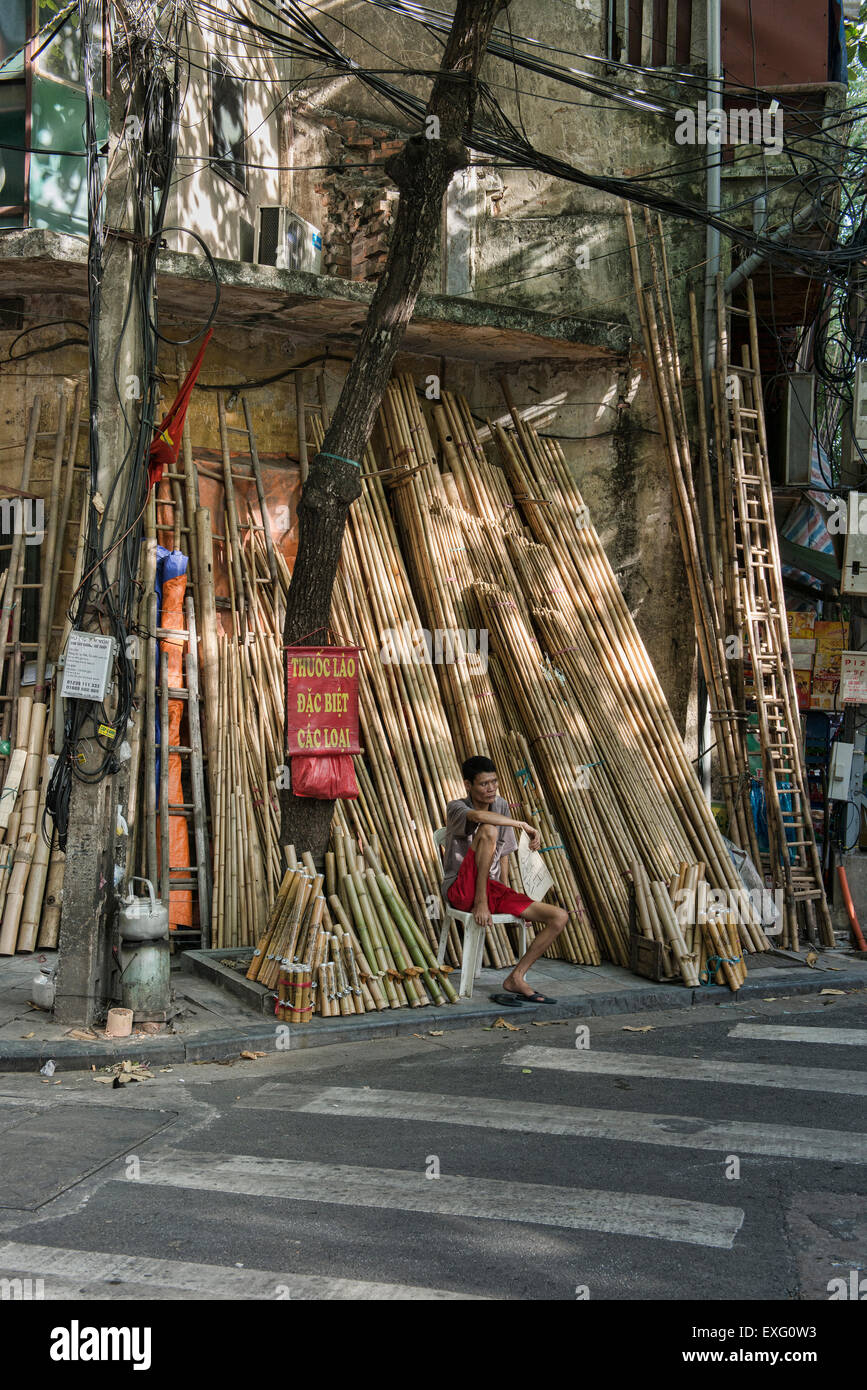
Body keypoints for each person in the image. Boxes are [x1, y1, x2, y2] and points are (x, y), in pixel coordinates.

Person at [440, 754, 569, 1005]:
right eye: (484, 784)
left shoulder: (501, 805)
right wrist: (521, 823)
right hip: (461, 890)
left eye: (494, 782)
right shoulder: (456, 807)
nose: (491, 789)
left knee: (559, 916)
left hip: (490, 889)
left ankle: (516, 978)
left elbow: (505, 855)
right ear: (468, 785)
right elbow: (479, 820)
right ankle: (482, 900)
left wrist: (507, 897)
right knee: (488, 829)